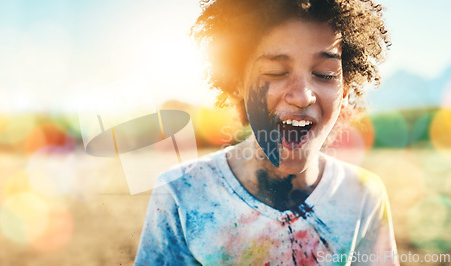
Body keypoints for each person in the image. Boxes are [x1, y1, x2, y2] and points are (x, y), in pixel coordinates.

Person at [135, 0, 398, 265]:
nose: (303, 96)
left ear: (347, 88)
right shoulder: (182, 194)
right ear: (237, 80)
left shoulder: (363, 196)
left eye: (325, 73)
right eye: (275, 71)